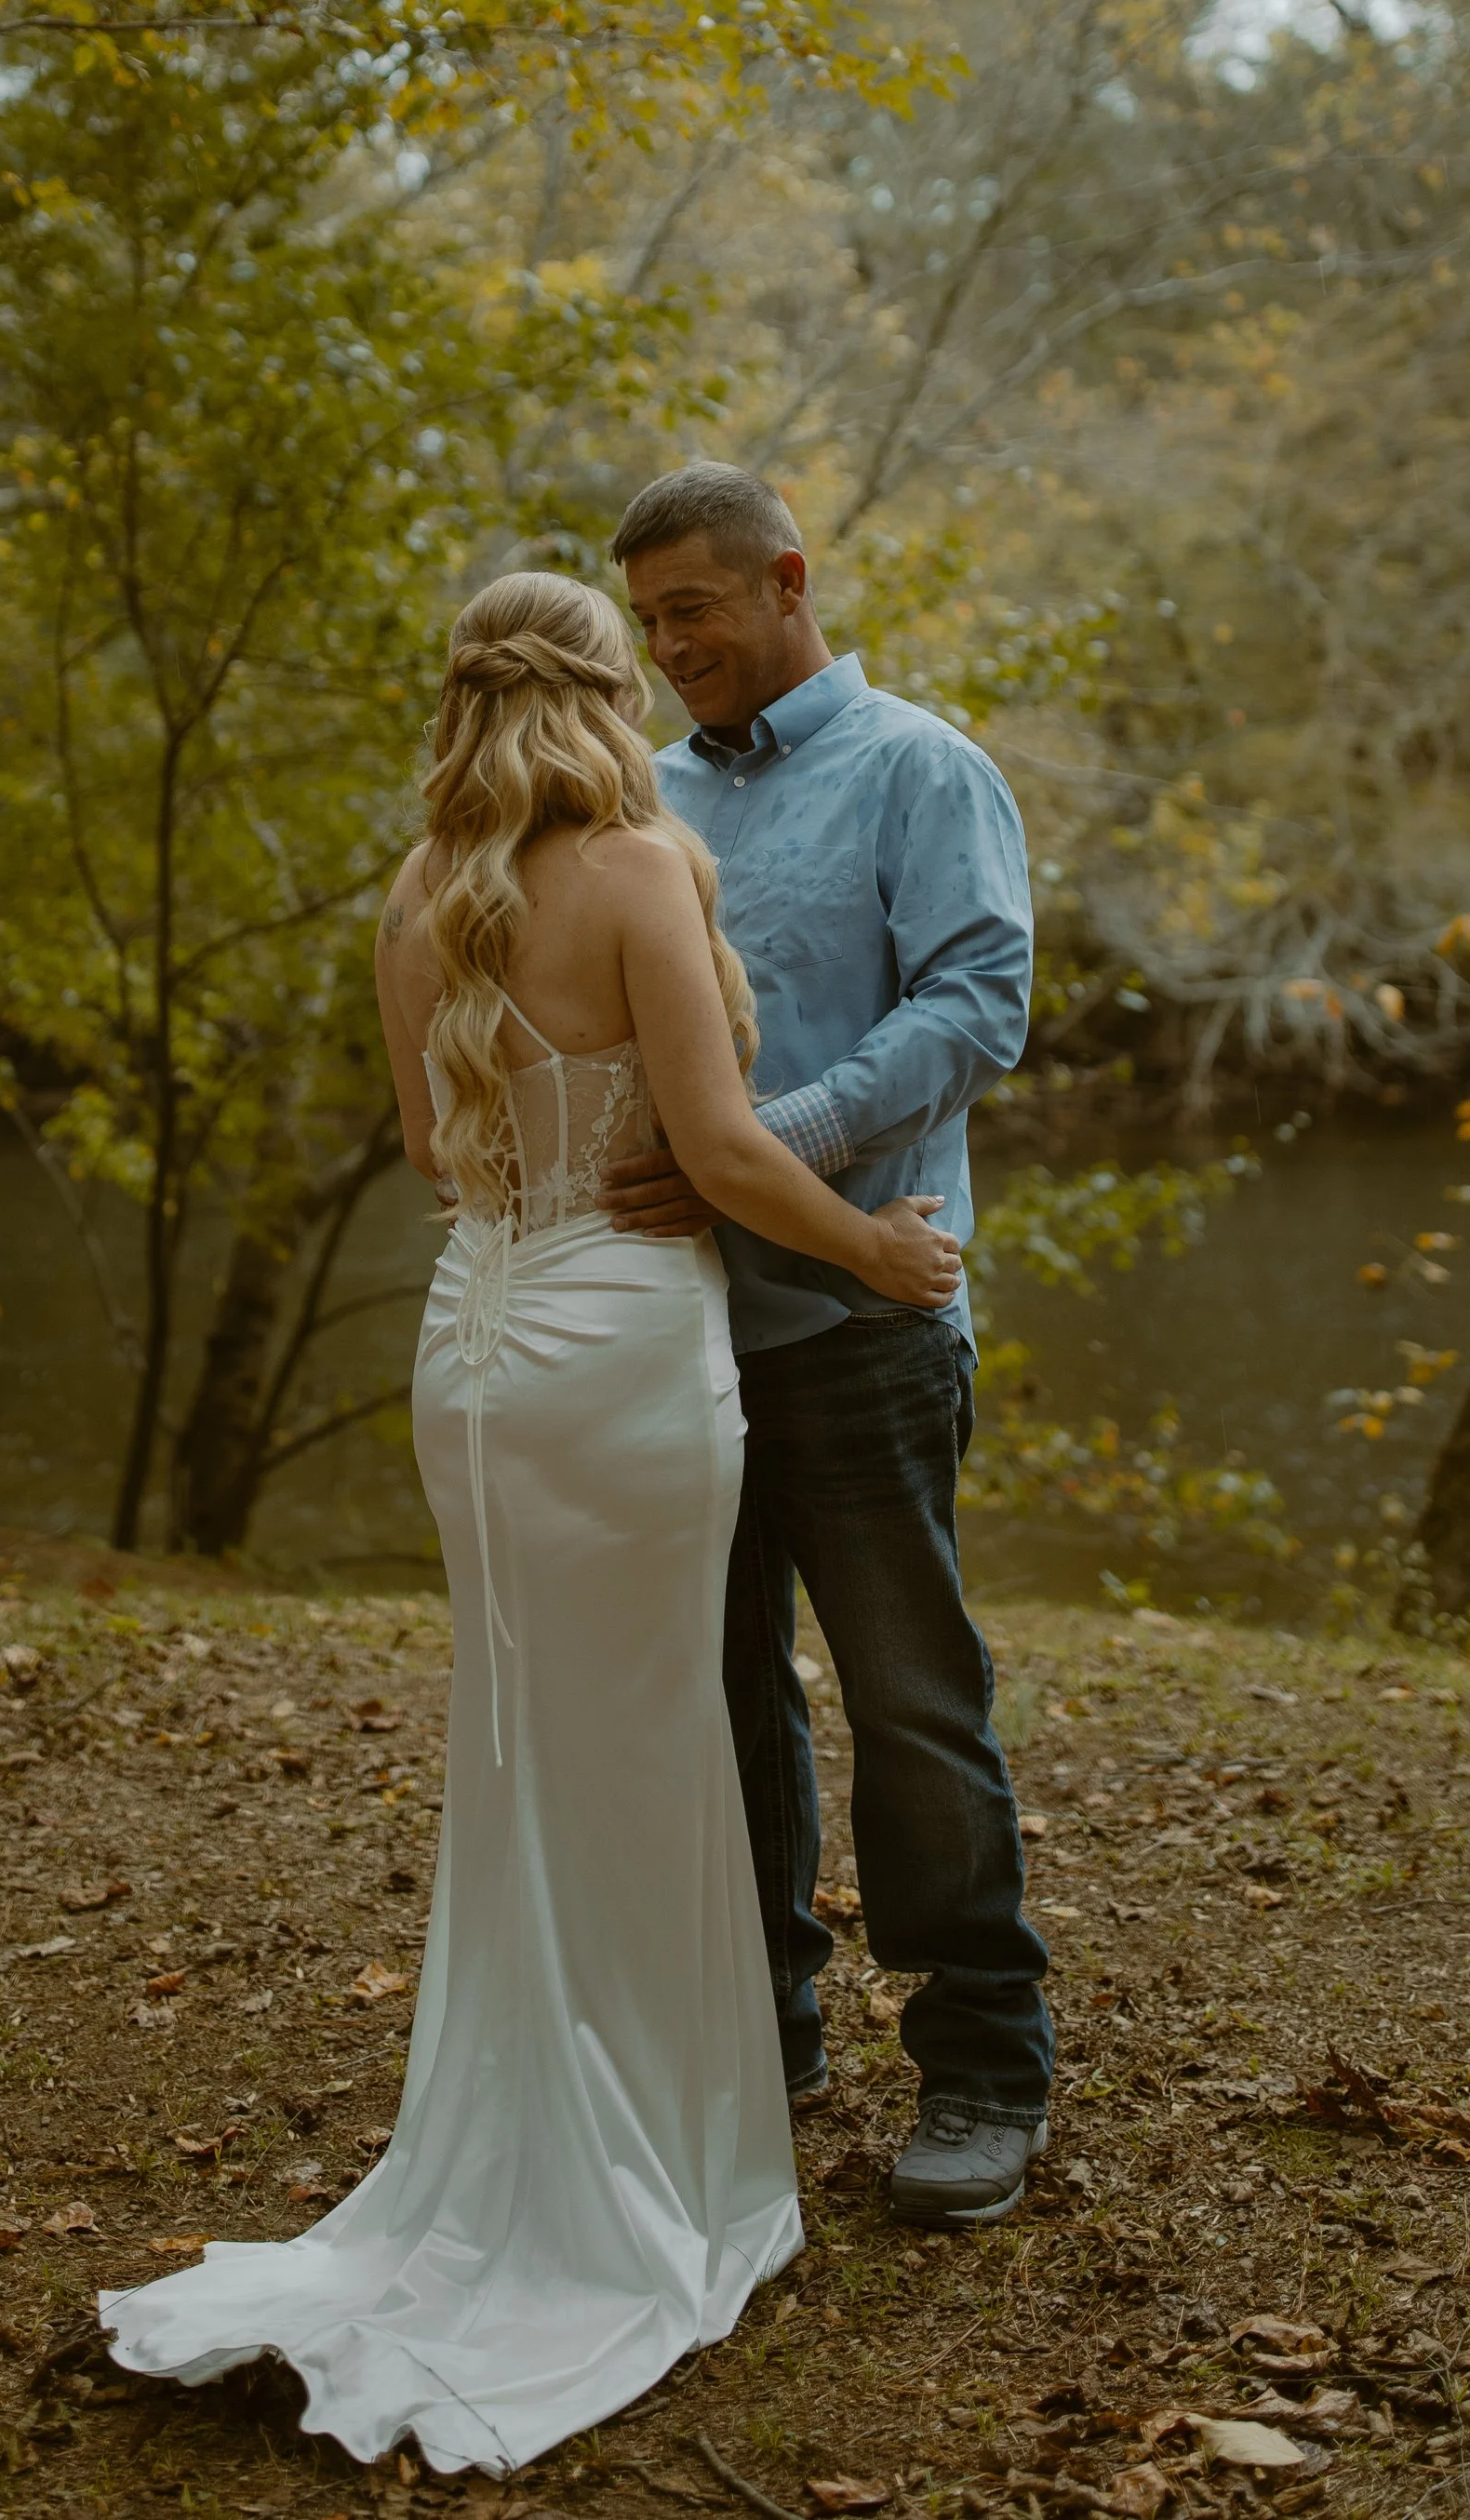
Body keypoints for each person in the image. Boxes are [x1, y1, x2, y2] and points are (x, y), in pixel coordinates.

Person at [99, 571, 962, 2472]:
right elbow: (718, 1149)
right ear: (602, 692)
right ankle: (644, 2162)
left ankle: (525, 2132)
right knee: (648, 1743)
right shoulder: (641, 868)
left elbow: (435, 1152)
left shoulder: (422, 890)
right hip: (621, 1356)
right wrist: (875, 1251)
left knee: (521, 1756)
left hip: (475, 1351)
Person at [603, 462, 1051, 2231]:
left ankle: (983, 2060)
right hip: (677, 1330)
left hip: (864, 1317)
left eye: (692, 609)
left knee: (911, 1700)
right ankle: (762, 2026)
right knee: (722, 1695)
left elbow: (977, 1007)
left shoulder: (920, 767)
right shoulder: (641, 798)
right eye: (646, 620)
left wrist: (768, 1145)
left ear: (787, 580)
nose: (667, 648)